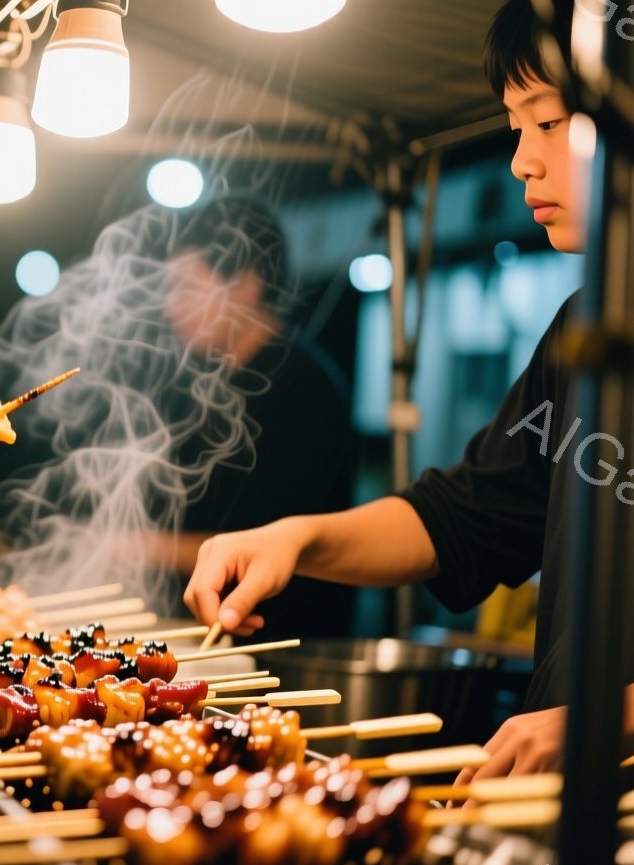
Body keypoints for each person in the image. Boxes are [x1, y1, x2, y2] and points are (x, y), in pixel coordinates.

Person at [183, 0, 633, 785]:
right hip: (569, 822)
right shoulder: (583, 331)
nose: (521, 161)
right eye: (516, 125)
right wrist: (295, 539)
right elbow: (464, 515)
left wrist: (606, 722)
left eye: (550, 122)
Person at [152, 198, 356, 640]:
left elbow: (262, 536)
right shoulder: (209, 382)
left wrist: (132, 546)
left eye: (186, 289)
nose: (171, 308)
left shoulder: (303, 388)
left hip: (285, 644)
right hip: (206, 637)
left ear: (244, 287)